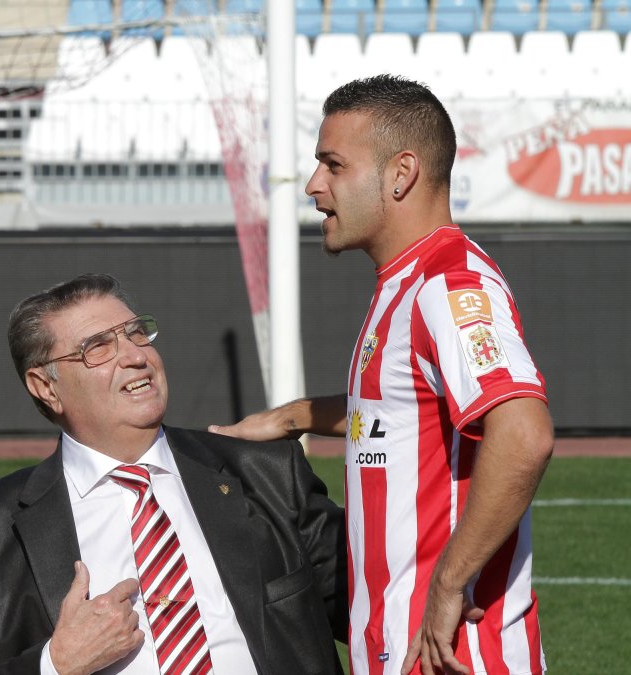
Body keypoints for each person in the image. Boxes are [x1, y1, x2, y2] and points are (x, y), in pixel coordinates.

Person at [209, 75, 554, 675]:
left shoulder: (450, 284)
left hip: (454, 655)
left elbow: (524, 434)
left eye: (333, 165)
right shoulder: (405, 281)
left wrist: (448, 584)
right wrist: (293, 418)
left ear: (401, 174)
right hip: (399, 650)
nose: (315, 185)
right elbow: (405, 409)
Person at [0, 273, 348, 674]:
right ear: (45, 386)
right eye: (97, 347)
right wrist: (57, 666)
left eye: (135, 333)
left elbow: (381, 601)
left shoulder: (267, 475)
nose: (135, 356)